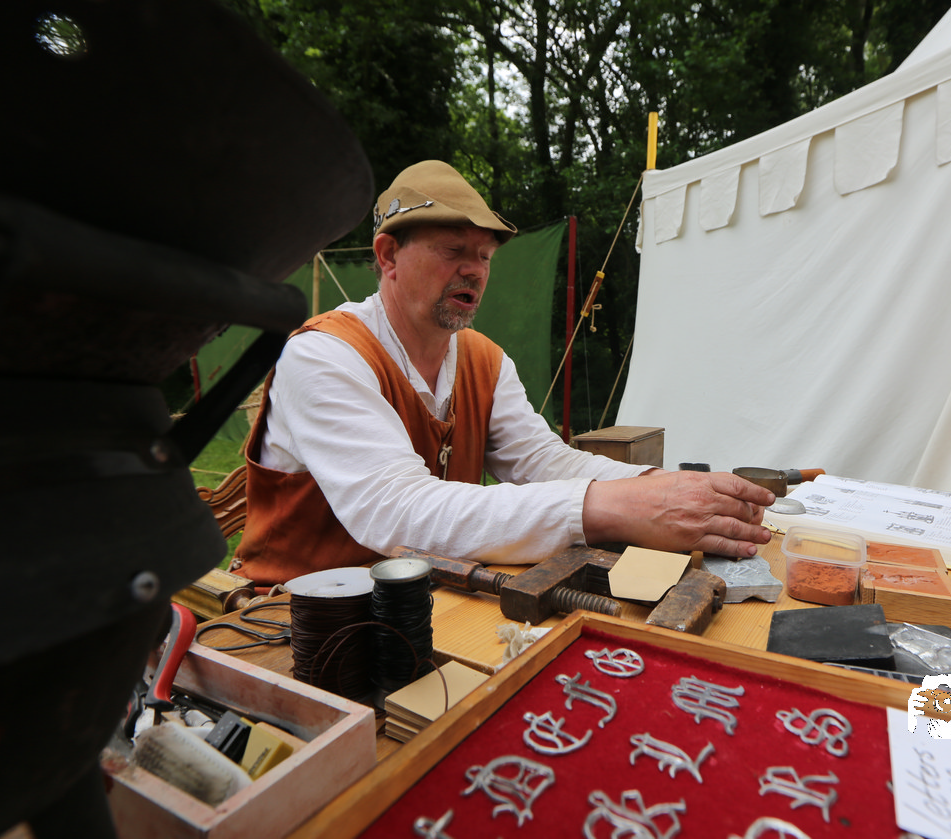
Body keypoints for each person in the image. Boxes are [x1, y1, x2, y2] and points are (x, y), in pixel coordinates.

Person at [234, 160, 772, 586]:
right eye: (454, 251)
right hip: (286, 624)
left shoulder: (482, 361)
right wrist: (613, 506)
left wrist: (663, 487)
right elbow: (397, 511)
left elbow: (544, 463)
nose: (474, 270)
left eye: (485, 256)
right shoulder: (324, 355)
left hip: (425, 606)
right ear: (388, 255)